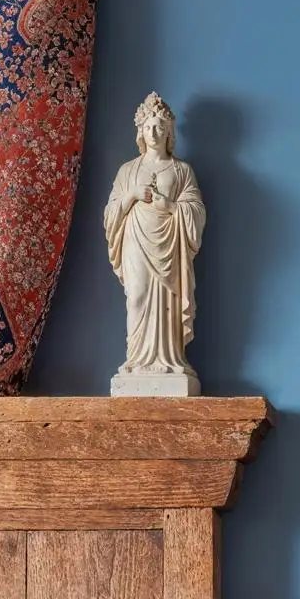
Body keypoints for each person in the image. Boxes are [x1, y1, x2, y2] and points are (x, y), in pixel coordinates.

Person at [104, 93, 205, 382]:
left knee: (169, 301)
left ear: (170, 132)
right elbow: (110, 213)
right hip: (136, 240)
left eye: (160, 127)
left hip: (169, 244)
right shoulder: (128, 170)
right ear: (140, 131)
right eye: (148, 127)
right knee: (136, 297)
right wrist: (133, 195)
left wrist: (170, 206)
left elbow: (196, 210)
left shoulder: (182, 171)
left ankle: (169, 360)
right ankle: (137, 360)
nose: (154, 132)